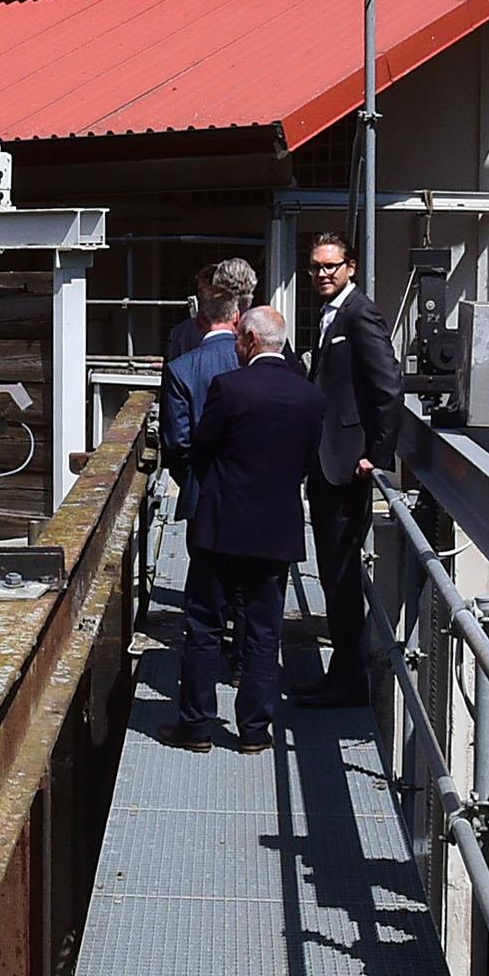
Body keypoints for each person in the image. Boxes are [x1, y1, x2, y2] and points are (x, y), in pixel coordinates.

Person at [177, 303, 320, 748]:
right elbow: (307, 460)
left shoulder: (229, 388)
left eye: (239, 339)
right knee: (264, 631)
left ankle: (197, 726)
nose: (235, 346)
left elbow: (200, 449)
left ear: (251, 341)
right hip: (276, 526)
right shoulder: (309, 395)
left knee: (204, 625)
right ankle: (255, 730)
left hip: (221, 524)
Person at [300, 226, 406, 705]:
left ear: (350, 268)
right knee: (332, 570)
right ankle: (341, 671)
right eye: (316, 266)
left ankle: (346, 679)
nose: (322, 273)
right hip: (328, 460)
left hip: (347, 464)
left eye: (331, 266)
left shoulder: (360, 313)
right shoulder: (329, 314)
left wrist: (376, 456)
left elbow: (388, 387)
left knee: (341, 573)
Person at [154, 257, 255, 510]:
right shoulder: (264, 342)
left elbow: (176, 439)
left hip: (200, 487)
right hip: (255, 489)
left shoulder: (181, 353)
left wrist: (189, 477)